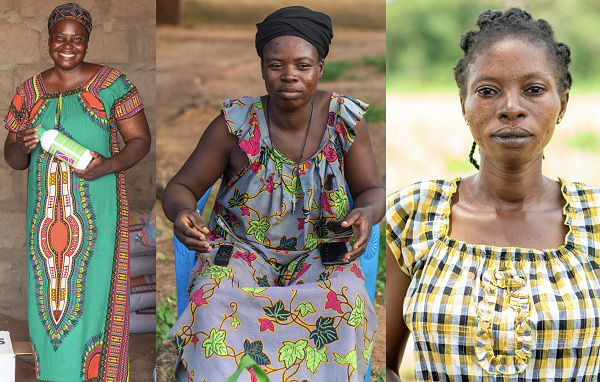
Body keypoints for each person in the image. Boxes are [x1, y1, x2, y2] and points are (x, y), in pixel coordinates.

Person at [162, 6, 385, 381]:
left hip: (321, 250)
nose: (289, 76)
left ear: (320, 68)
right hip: (241, 253)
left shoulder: (344, 120)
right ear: (262, 68)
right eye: (275, 65)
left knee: (348, 302)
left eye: (303, 65)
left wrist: (366, 211)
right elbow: (181, 187)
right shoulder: (234, 125)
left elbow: (372, 189)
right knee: (213, 301)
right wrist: (184, 212)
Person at [386, 8, 600, 381]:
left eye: (534, 90)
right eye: (488, 91)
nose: (511, 108)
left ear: (562, 104)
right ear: (463, 106)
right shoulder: (412, 214)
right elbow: (377, 365)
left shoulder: (596, 219)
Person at [3, 3, 151, 381]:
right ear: (49, 40)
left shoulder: (111, 84)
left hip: (95, 211)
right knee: (46, 302)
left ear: (87, 42)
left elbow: (139, 142)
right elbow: (14, 159)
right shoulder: (29, 92)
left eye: (77, 40)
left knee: (93, 293)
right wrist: (20, 144)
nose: (67, 46)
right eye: (59, 38)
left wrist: (105, 164)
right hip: (45, 218)